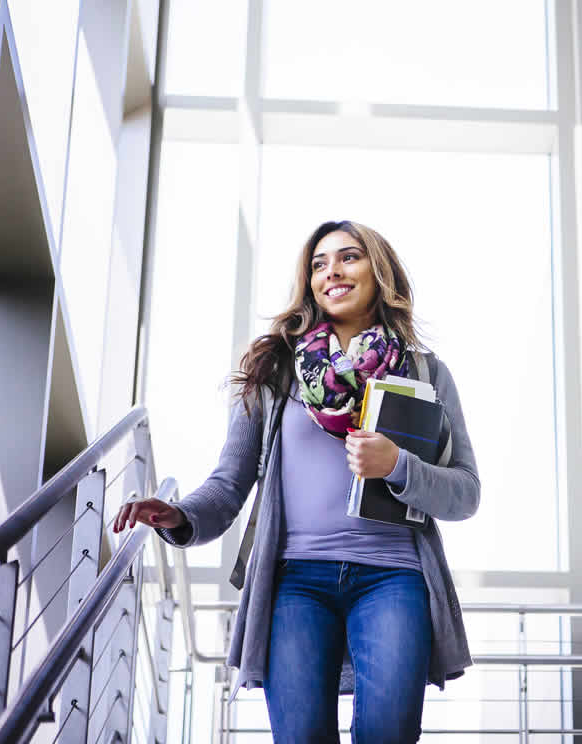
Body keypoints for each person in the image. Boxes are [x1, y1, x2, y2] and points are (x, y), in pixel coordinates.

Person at [112, 220, 480, 743]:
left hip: (394, 577)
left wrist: (398, 464)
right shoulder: (275, 371)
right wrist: (180, 515)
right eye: (319, 264)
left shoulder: (424, 371)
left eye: (349, 257)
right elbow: (229, 483)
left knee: (389, 733)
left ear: (379, 271)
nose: (332, 271)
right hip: (295, 582)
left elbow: (465, 492)